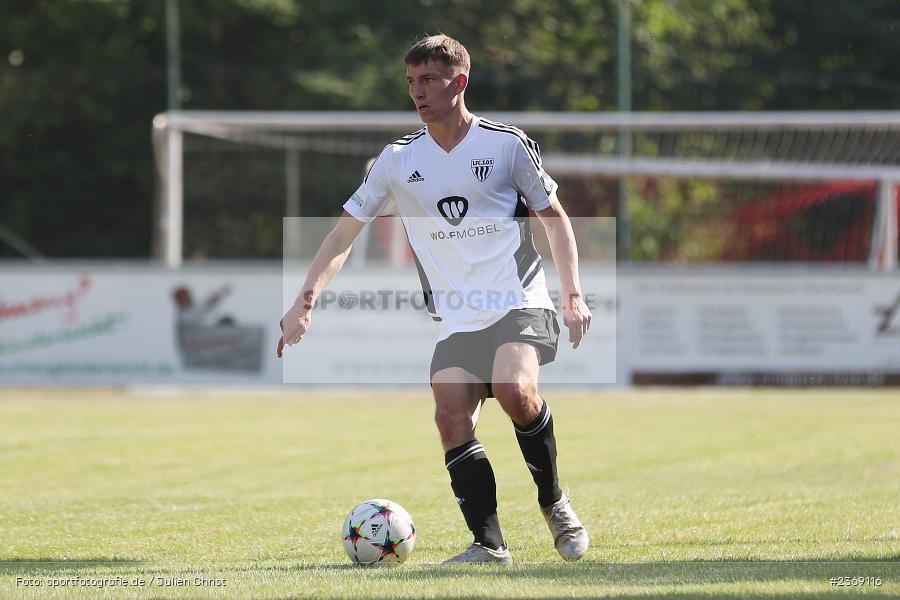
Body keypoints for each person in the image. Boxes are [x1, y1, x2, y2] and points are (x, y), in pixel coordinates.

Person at [278, 33, 591, 565]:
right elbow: (341, 236)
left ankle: (555, 503)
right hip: (457, 319)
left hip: (519, 298)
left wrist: (573, 295)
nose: (417, 92)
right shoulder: (398, 160)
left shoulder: (505, 145)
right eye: (411, 82)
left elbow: (555, 221)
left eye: (428, 80)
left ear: (459, 82)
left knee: (515, 389)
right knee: (450, 418)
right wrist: (304, 301)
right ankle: (489, 545)